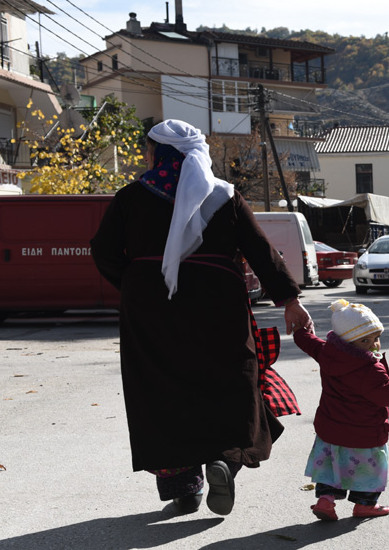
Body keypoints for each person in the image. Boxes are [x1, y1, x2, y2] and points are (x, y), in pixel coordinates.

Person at [90, 119, 313, 516]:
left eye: (147, 149)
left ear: (158, 153)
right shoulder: (225, 196)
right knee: (231, 381)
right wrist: (289, 299)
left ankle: (185, 487)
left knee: (160, 390)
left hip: (151, 310)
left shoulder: (130, 197)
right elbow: (261, 251)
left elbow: (103, 250)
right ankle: (224, 460)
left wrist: (139, 283)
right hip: (219, 308)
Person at [293, 299, 389, 520]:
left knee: (331, 466)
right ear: (347, 341)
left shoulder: (327, 352)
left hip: (330, 429)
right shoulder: (369, 369)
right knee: (369, 469)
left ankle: (325, 501)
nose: (373, 344)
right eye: (365, 340)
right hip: (364, 433)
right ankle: (364, 505)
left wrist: (301, 330)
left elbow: (308, 342)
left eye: (376, 338)